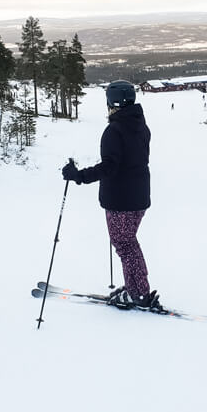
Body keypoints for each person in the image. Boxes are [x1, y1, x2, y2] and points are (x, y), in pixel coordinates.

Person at [62, 80, 162, 311]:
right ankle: (136, 288)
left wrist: (78, 175)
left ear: (112, 102)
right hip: (138, 196)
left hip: (121, 200)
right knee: (128, 243)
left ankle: (138, 293)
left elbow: (110, 167)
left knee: (125, 245)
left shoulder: (114, 131)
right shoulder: (141, 126)